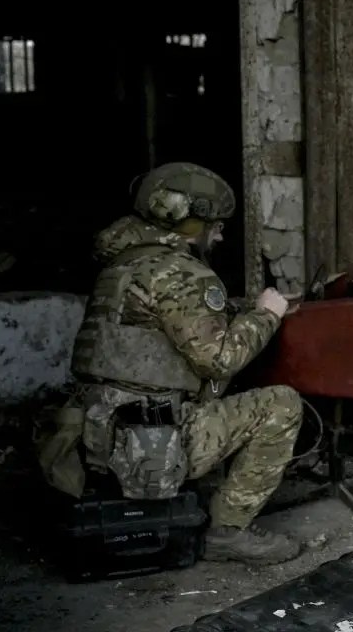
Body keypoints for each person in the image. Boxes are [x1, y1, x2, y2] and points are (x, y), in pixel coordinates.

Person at [37, 161, 304, 566]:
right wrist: (267, 314)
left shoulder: (121, 265)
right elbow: (221, 359)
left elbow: (157, 331)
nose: (220, 233)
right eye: (215, 224)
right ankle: (228, 532)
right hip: (145, 448)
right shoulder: (181, 272)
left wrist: (239, 311)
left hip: (95, 436)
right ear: (189, 221)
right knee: (282, 404)